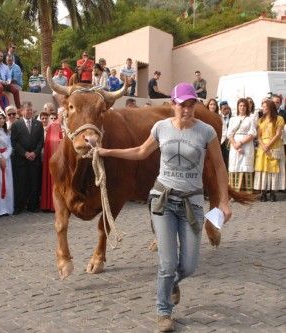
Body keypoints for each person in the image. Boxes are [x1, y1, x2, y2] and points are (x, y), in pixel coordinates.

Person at [97, 82, 231, 332]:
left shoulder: (207, 132)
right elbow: (139, 152)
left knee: (189, 265)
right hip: (163, 200)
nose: (187, 110)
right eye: (182, 105)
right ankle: (163, 312)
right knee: (167, 263)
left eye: (192, 105)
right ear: (172, 104)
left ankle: (170, 283)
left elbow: (220, 167)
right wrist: (107, 151)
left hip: (192, 202)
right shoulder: (160, 127)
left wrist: (223, 200)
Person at [10, 101, 44, 214]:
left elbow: (41, 142)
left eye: (31, 110)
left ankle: (33, 206)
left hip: (35, 159)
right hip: (21, 159)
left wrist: (35, 152)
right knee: (21, 183)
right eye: (27, 110)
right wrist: (25, 153)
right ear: (22, 111)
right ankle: (19, 206)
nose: (29, 112)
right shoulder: (16, 124)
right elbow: (14, 142)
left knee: (34, 183)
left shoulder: (38, 124)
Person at [253, 99, 285, 202]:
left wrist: (269, 145)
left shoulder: (279, 119)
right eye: (262, 107)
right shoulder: (260, 120)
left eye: (265, 107)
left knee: (273, 170)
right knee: (263, 169)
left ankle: (272, 192)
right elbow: (258, 136)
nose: (263, 109)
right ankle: (263, 192)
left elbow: (278, 134)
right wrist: (263, 145)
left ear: (270, 107)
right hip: (263, 147)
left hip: (274, 145)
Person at [227, 98, 256, 193]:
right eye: (240, 105)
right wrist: (235, 145)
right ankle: (234, 192)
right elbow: (229, 134)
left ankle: (246, 192)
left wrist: (240, 143)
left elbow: (252, 134)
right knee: (235, 165)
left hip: (246, 145)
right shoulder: (232, 119)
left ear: (247, 107)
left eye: (244, 106)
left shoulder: (250, 119)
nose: (242, 107)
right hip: (234, 144)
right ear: (238, 107)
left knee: (245, 165)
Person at [0, 111, 14, 216]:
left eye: (3, 118)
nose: (1, 120)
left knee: (7, 183)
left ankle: (7, 208)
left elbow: (10, 146)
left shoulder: (7, 132)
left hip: (6, 160)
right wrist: (0, 158)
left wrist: (5, 157)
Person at [40, 109, 63, 212]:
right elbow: (51, 143)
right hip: (57, 160)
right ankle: (52, 204)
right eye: (62, 113)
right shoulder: (53, 126)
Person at [220, 101, 232, 168]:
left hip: (229, 143)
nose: (227, 110)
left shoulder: (232, 118)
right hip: (221, 143)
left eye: (227, 108)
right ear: (220, 110)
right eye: (224, 109)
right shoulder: (218, 118)